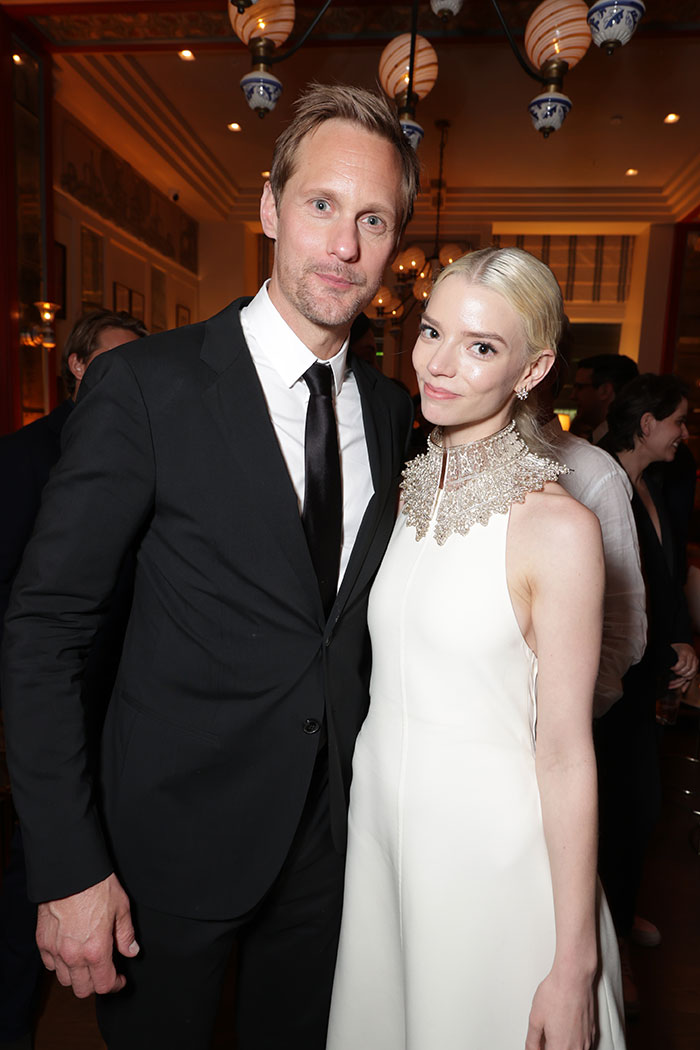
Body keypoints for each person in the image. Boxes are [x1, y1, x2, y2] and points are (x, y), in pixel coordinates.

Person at [1, 84, 419, 1050]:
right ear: (270, 208)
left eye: (373, 219)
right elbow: (44, 628)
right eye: (321, 206)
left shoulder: (396, 412)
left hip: (332, 853)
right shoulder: (146, 387)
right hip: (166, 855)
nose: (344, 246)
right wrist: (66, 866)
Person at [327, 247, 625, 1050]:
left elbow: (566, 752)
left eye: (481, 346)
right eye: (432, 331)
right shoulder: (401, 491)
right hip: (383, 851)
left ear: (532, 371)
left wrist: (575, 967)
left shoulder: (557, 528)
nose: (440, 363)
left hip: (494, 872)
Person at [0, 309, 146, 1050]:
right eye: (111, 365)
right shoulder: (24, 458)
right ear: (77, 369)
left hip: (130, 708)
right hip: (53, 711)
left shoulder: (158, 448)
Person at [596, 373, 698, 1013]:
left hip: (647, 676)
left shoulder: (653, 484)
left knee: (638, 808)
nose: (684, 434)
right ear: (645, 424)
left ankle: (620, 915)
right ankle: (610, 946)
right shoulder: (600, 480)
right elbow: (610, 600)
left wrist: (682, 644)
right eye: (679, 421)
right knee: (621, 811)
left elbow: (659, 581)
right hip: (614, 682)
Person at [537, 345, 647, 718]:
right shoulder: (439, 464)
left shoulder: (591, 470)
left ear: (547, 372)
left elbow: (625, 622)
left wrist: (564, 720)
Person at [571, 353, 639, 442]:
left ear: (604, 391)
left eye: (580, 387)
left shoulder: (619, 446)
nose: (572, 396)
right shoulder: (595, 438)